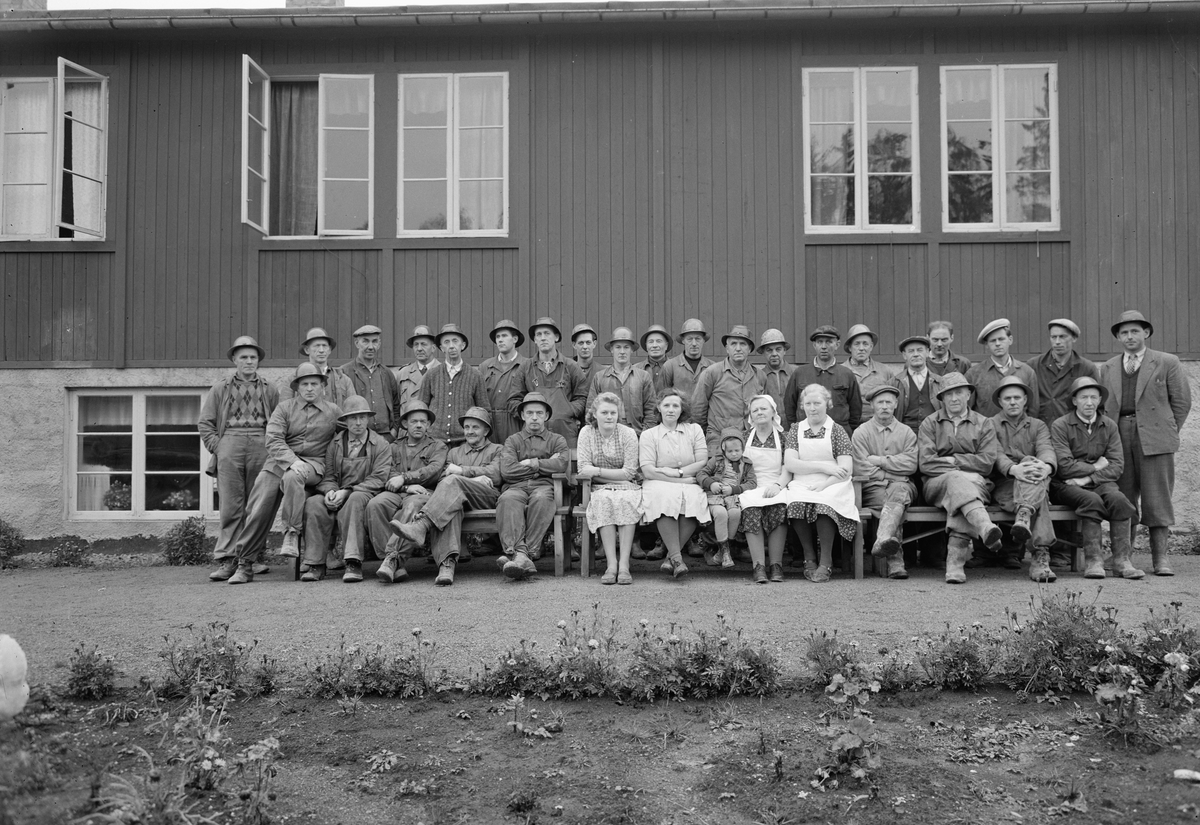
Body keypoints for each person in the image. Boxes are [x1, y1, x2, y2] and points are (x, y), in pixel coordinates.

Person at [226, 363, 342, 584]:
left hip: (314, 466)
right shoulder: (284, 408)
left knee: (294, 477)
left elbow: (343, 443)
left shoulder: (333, 411)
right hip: (279, 463)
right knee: (259, 504)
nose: (309, 388)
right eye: (305, 384)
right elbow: (274, 439)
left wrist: (332, 481)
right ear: (297, 387)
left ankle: (290, 533)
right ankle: (245, 563)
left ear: (322, 386)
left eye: (314, 384)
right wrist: (292, 461)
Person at [1100, 310, 1192, 576]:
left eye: (1135, 331)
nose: (1129, 336)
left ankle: (1160, 559)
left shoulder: (1166, 362)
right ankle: (1122, 556)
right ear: (1118, 337)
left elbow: (1182, 402)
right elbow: (1104, 407)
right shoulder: (1108, 367)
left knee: (1157, 497)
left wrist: (1167, 431)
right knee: (1124, 496)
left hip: (1155, 437)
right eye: (1124, 332)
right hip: (1119, 435)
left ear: (1146, 333)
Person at [390, 407, 503, 586]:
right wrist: (476, 476)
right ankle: (446, 566)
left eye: (476, 427)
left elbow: (496, 475)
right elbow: (443, 480)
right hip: (456, 500)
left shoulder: (497, 449)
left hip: (486, 498)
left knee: (454, 482)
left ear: (486, 431)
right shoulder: (454, 452)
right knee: (451, 502)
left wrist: (462, 472)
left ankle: (421, 525)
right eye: (467, 427)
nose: (470, 431)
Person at [200, 335, 280, 582]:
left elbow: (278, 421)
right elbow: (206, 423)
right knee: (231, 506)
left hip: (261, 442)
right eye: (243, 357)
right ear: (234, 359)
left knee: (257, 504)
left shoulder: (269, 388)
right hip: (230, 443)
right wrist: (220, 447)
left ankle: (251, 559)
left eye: (253, 357)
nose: (248, 361)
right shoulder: (221, 388)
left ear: (259, 361)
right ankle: (226, 560)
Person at [1050, 377, 1143, 579]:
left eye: (1094, 397)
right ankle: (1094, 561)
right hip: (1064, 486)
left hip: (1096, 483)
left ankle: (1121, 562)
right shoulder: (1061, 425)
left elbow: (1117, 466)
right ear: (1074, 401)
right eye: (1084, 397)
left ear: (1100, 400)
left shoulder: (1109, 425)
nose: (1089, 402)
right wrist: (1096, 466)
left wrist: (1086, 479)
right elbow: (1064, 467)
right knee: (1091, 500)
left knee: (1119, 500)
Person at [917, 372, 1003, 584]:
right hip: (936, 485)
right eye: (948, 394)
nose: (954, 398)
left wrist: (949, 460)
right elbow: (926, 463)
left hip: (978, 485)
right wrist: (961, 469)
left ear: (968, 395)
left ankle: (955, 565)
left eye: (958, 393)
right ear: (942, 399)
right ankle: (984, 526)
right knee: (957, 481)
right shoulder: (930, 423)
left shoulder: (984, 423)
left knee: (961, 497)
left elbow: (987, 462)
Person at [300, 396, 390, 583]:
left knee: (354, 500)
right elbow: (328, 475)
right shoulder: (335, 444)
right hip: (338, 493)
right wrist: (330, 491)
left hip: (364, 494)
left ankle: (353, 562)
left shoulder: (380, 444)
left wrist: (347, 491)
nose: (358, 423)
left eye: (362, 418)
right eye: (352, 418)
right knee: (313, 503)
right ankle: (316, 563)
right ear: (345, 420)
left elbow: (379, 478)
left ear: (368, 419)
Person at [782, 384, 859, 583]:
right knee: (796, 503)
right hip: (804, 481)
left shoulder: (837, 431)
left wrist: (825, 484)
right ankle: (809, 557)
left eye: (817, 403)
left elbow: (845, 469)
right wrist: (825, 467)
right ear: (802, 406)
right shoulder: (796, 430)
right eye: (808, 404)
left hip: (834, 483)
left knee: (824, 505)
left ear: (828, 404)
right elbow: (790, 463)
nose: (813, 408)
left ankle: (826, 561)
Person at [365, 401, 448, 583]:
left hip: (424, 492)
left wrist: (404, 478)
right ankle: (393, 562)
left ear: (428, 425)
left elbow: (432, 470)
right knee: (375, 504)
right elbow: (386, 472)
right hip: (399, 491)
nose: (418, 425)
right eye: (413, 421)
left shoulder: (438, 446)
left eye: (423, 422)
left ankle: (393, 559)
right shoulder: (393, 447)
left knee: (412, 506)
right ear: (405, 424)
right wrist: (406, 485)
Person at [989, 376, 1058, 582]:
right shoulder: (990, 424)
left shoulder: (1038, 425)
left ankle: (1025, 513)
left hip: (1036, 478)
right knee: (1040, 498)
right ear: (1000, 401)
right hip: (1005, 484)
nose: (1013, 402)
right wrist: (1014, 469)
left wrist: (1046, 466)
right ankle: (1040, 558)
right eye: (1007, 398)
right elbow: (996, 454)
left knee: (1036, 474)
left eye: (1017, 397)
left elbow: (1046, 448)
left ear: (1025, 400)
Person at [496, 392, 570, 579]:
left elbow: (561, 464)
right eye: (530, 413)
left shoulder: (557, 440)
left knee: (541, 498)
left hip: (544, 487)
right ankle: (521, 555)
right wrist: (542, 466)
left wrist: (530, 463)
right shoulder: (513, 441)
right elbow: (507, 471)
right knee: (507, 499)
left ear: (546, 416)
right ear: (522, 415)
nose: (534, 417)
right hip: (516, 487)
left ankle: (519, 555)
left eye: (539, 413)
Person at [639, 388, 711, 578]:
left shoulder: (694, 430)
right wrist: (676, 478)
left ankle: (671, 557)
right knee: (665, 497)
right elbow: (648, 470)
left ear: (681, 410)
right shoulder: (649, 435)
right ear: (659, 408)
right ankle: (677, 558)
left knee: (694, 499)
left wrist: (679, 473)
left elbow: (701, 460)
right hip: (657, 482)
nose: (671, 410)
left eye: (675, 406)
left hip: (688, 479)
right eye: (666, 405)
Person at [851, 384, 918, 579]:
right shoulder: (861, 432)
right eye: (880, 402)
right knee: (893, 504)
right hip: (874, 489)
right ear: (872, 405)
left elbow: (911, 464)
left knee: (895, 497)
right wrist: (891, 474)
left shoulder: (906, 433)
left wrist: (880, 461)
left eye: (889, 402)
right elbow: (860, 467)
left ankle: (884, 543)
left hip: (903, 487)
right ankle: (895, 563)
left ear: (896, 404)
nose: (885, 406)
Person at [576, 392, 643, 585]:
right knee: (604, 500)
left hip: (627, 487)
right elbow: (583, 469)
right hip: (598, 488)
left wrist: (596, 470)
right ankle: (611, 565)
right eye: (604, 412)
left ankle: (624, 566)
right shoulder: (587, 433)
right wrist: (613, 476)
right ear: (594, 414)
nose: (609, 416)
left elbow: (629, 472)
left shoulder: (627, 434)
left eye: (613, 412)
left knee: (625, 501)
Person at [735, 395, 792, 584]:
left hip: (776, 484)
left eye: (763, 409)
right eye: (755, 410)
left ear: (773, 412)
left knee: (778, 508)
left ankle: (776, 565)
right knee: (751, 509)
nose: (759, 412)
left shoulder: (784, 438)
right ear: (750, 415)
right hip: (750, 485)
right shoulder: (743, 438)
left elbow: (788, 467)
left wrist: (777, 486)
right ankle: (758, 566)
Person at [509, 317, 588, 446]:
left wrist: (569, 410)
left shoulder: (571, 366)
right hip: (532, 434)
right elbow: (513, 400)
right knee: (532, 465)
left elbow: (583, 397)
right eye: (539, 334)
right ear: (534, 340)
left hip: (565, 432)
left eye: (547, 333)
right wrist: (529, 415)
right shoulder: (525, 367)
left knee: (566, 465)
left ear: (556, 337)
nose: (543, 338)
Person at [692, 325, 765, 451]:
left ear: (749, 349)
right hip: (718, 439)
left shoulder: (760, 376)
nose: (738, 348)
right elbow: (698, 408)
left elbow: (765, 409)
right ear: (727, 348)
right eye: (733, 344)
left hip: (751, 440)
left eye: (743, 344)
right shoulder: (712, 373)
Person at [783, 325, 862, 435]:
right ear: (814, 345)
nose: (824, 346)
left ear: (837, 345)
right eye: (820, 342)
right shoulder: (800, 373)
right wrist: (798, 429)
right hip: (806, 435)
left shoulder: (847, 374)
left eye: (829, 342)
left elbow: (856, 410)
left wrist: (846, 432)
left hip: (838, 435)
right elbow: (789, 406)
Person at [418, 323, 489, 447]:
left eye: (455, 341)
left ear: (463, 345)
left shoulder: (475, 375)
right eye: (446, 342)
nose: (451, 346)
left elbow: (484, 411)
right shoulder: (431, 375)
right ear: (441, 347)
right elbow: (421, 409)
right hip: (435, 442)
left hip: (465, 443)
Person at [697, 427, 755, 569]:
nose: (734, 454)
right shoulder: (716, 461)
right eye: (730, 451)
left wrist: (735, 489)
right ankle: (725, 552)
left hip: (732, 496)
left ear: (743, 449)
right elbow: (701, 474)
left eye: (737, 450)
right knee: (721, 514)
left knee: (735, 513)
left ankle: (723, 551)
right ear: (723, 450)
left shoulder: (746, 464)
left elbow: (752, 483)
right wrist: (711, 484)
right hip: (716, 496)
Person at [586, 327, 657, 434]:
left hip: (637, 435)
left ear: (632, 349)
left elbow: (651, 411)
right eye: (618, 347)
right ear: (611, 349)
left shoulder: (643, 376)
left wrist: (644, 435)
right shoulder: (599, 378)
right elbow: (591, 411)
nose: (622, 352)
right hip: (607, 436)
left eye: (626, 347)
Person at [965, 318, 1040, 419]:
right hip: (986, 433)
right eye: (992, 341)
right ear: (986, 345)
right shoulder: (974, 374)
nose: (997, 344)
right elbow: (967, 410)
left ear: (1010, 340)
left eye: (1001, 339)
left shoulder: (1027, 372)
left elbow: (1033, 410)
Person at [342, 324, 402, 443]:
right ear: (356, 343)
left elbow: (396, 405)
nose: (370, 346)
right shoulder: (345, 372)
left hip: (386, 437)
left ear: (379, 344)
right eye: (365, 341)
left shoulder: (386, 373)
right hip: (357, 438)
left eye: (374, 342)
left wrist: (394, 431)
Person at [1032, 318, 1099, 423]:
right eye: (1053, 337)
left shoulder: (1087, 368)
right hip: (1041, 430)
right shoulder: (1034, 366)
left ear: (1074, 338)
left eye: (1062, 337)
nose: (1057, 342)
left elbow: (1097, 405)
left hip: (1073, 431)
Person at [279, 327, 355, 407]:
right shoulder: (293, 379)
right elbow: (283, 410)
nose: (321, 350)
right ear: (307, 350)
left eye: (324, 346)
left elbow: (353, 408)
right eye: (317, 346)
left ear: (329, 350)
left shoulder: (343, 379)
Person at [480, 319, 527, 445]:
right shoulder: (485, 367)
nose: (500, 340)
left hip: (516, 422)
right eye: (498, 337)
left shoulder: (526, 365)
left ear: (515, 339)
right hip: (490, 424)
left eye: (504, 336)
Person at [893, 335, 944, 434]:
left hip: (934, 434)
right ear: (904, 355)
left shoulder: (940, 382)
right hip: (904, 435)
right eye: (911, 351)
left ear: (928, 352)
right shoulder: (894, 383)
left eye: (920, 350)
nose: (916, 354)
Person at [659, 319, 714, 401]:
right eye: (689, 339)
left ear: (703, 340)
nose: (694, 343)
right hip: (679, 413)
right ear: (683, 340)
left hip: (704, 413)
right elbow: (661, 398)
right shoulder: (670, 366)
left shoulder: (712, 367)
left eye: (698, 339)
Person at [844, 324, 897, 400]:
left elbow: (893, 400)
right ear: (849, 347)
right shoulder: (840, 372)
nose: (861, 348)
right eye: (857, 344)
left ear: (871, 347)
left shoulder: (885, 371)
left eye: (865, 344)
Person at [396, 325, 441, 410]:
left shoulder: (443, 372)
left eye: (424, 344)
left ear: (433, 348)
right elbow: (397, 407)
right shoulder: (403, 374)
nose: (419, 349)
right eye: (416, 345)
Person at [757, 329, 796, 413]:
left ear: (784, 350)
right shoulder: (758, 376)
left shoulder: (796, 373)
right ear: (763, 352)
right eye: (769, 350)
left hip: (795, 424)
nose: (774, 354)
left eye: (778, 349)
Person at [636, 324, 674, 394]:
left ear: (666, 345)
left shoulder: (675, 368)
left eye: (659, 341)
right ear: (646, 346)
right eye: (651, 342)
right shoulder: (636, 370)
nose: (654, 345)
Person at [571, 323, 601, 391]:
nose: (585, 347)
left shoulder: (602, 372)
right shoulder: (566, 371)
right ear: (574, 345)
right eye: (581, 343)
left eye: (588, 342)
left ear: (594, 344)